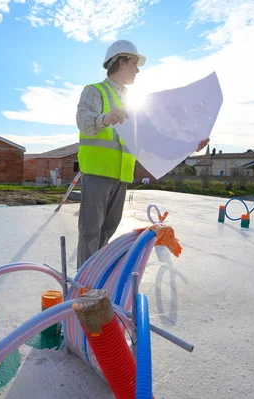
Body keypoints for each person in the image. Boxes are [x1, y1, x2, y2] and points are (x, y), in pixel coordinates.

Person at [75, 39, 209, 269]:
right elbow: (83, 121)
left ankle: (96, 280)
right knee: (90, 233)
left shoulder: (131, 102)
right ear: (121, 62)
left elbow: (155, 138)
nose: (137, 70)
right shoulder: (94, 91)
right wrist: (105, 118)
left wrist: (190, 145)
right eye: (134, 64)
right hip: (97, 173)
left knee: (107, 232)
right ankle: (84, 289)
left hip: (121, 177)